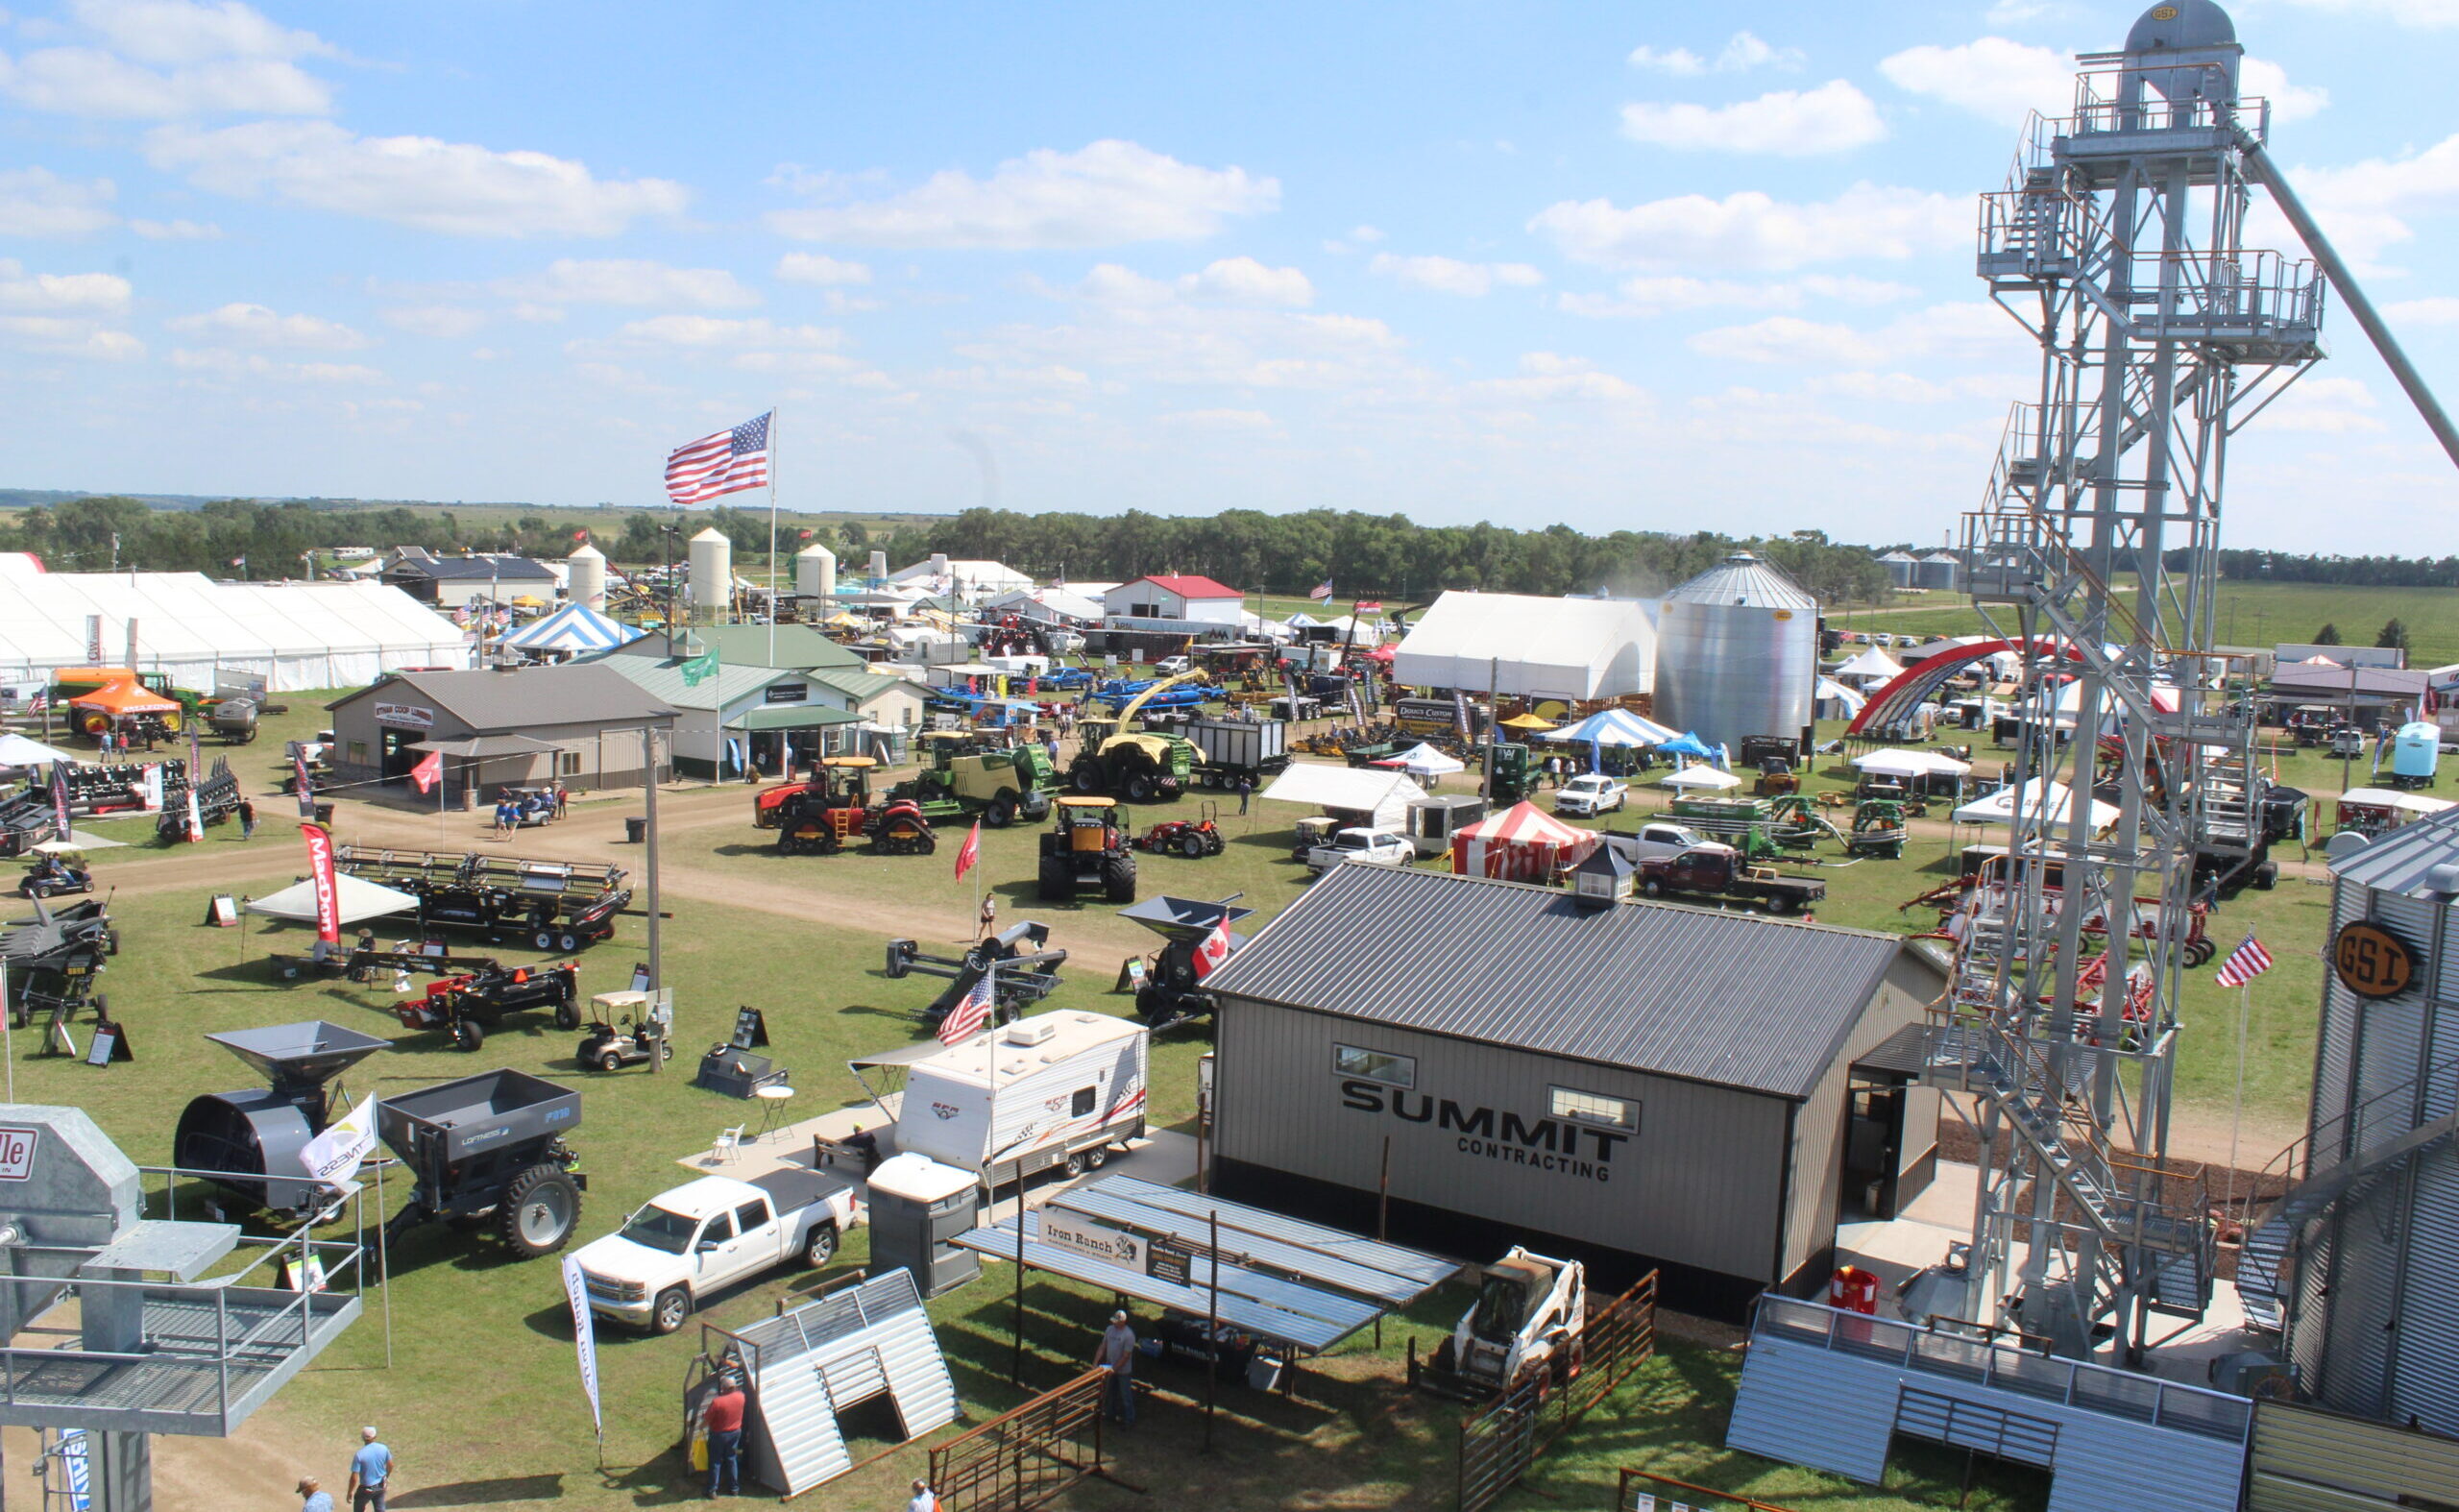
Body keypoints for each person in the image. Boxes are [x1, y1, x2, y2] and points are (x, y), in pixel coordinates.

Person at [704, 1373, 746, 1499]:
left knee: (715, 1461)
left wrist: (702, 1424)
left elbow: (707, 1419)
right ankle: (734, 1488)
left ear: (723, 1388)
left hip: (719, 1434)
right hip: (735, 1432)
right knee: (731, 1459)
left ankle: (712, 1490)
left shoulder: (717, 1402)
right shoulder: (741, 1397)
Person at [1093, 1309, 1137, 1427]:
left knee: (1125, 1395)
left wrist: (1114, 1369)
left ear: (1123, 1321)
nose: (1114, 1323)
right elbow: (1103, 1346)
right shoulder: (1109, 1330)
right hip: (1110, 1367)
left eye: (1117, 1321)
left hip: (1123, 1371)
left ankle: (1129, 1419)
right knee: (1109, 1392)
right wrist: (1096, 1362)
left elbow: (1126, 1356)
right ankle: (1110, 1414)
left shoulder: (1128, 1335)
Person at [348, 1427, 394, 1512]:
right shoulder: (383, 1448)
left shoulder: (360, 1454)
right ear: (375, 1436)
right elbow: (390, 1465)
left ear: (362, 1438)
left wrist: (350, 1492)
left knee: (359, 1508)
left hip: (366, 1488)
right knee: (380, 1508)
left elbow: (354, 1477)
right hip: (380, 1485)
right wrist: (386, 1477)